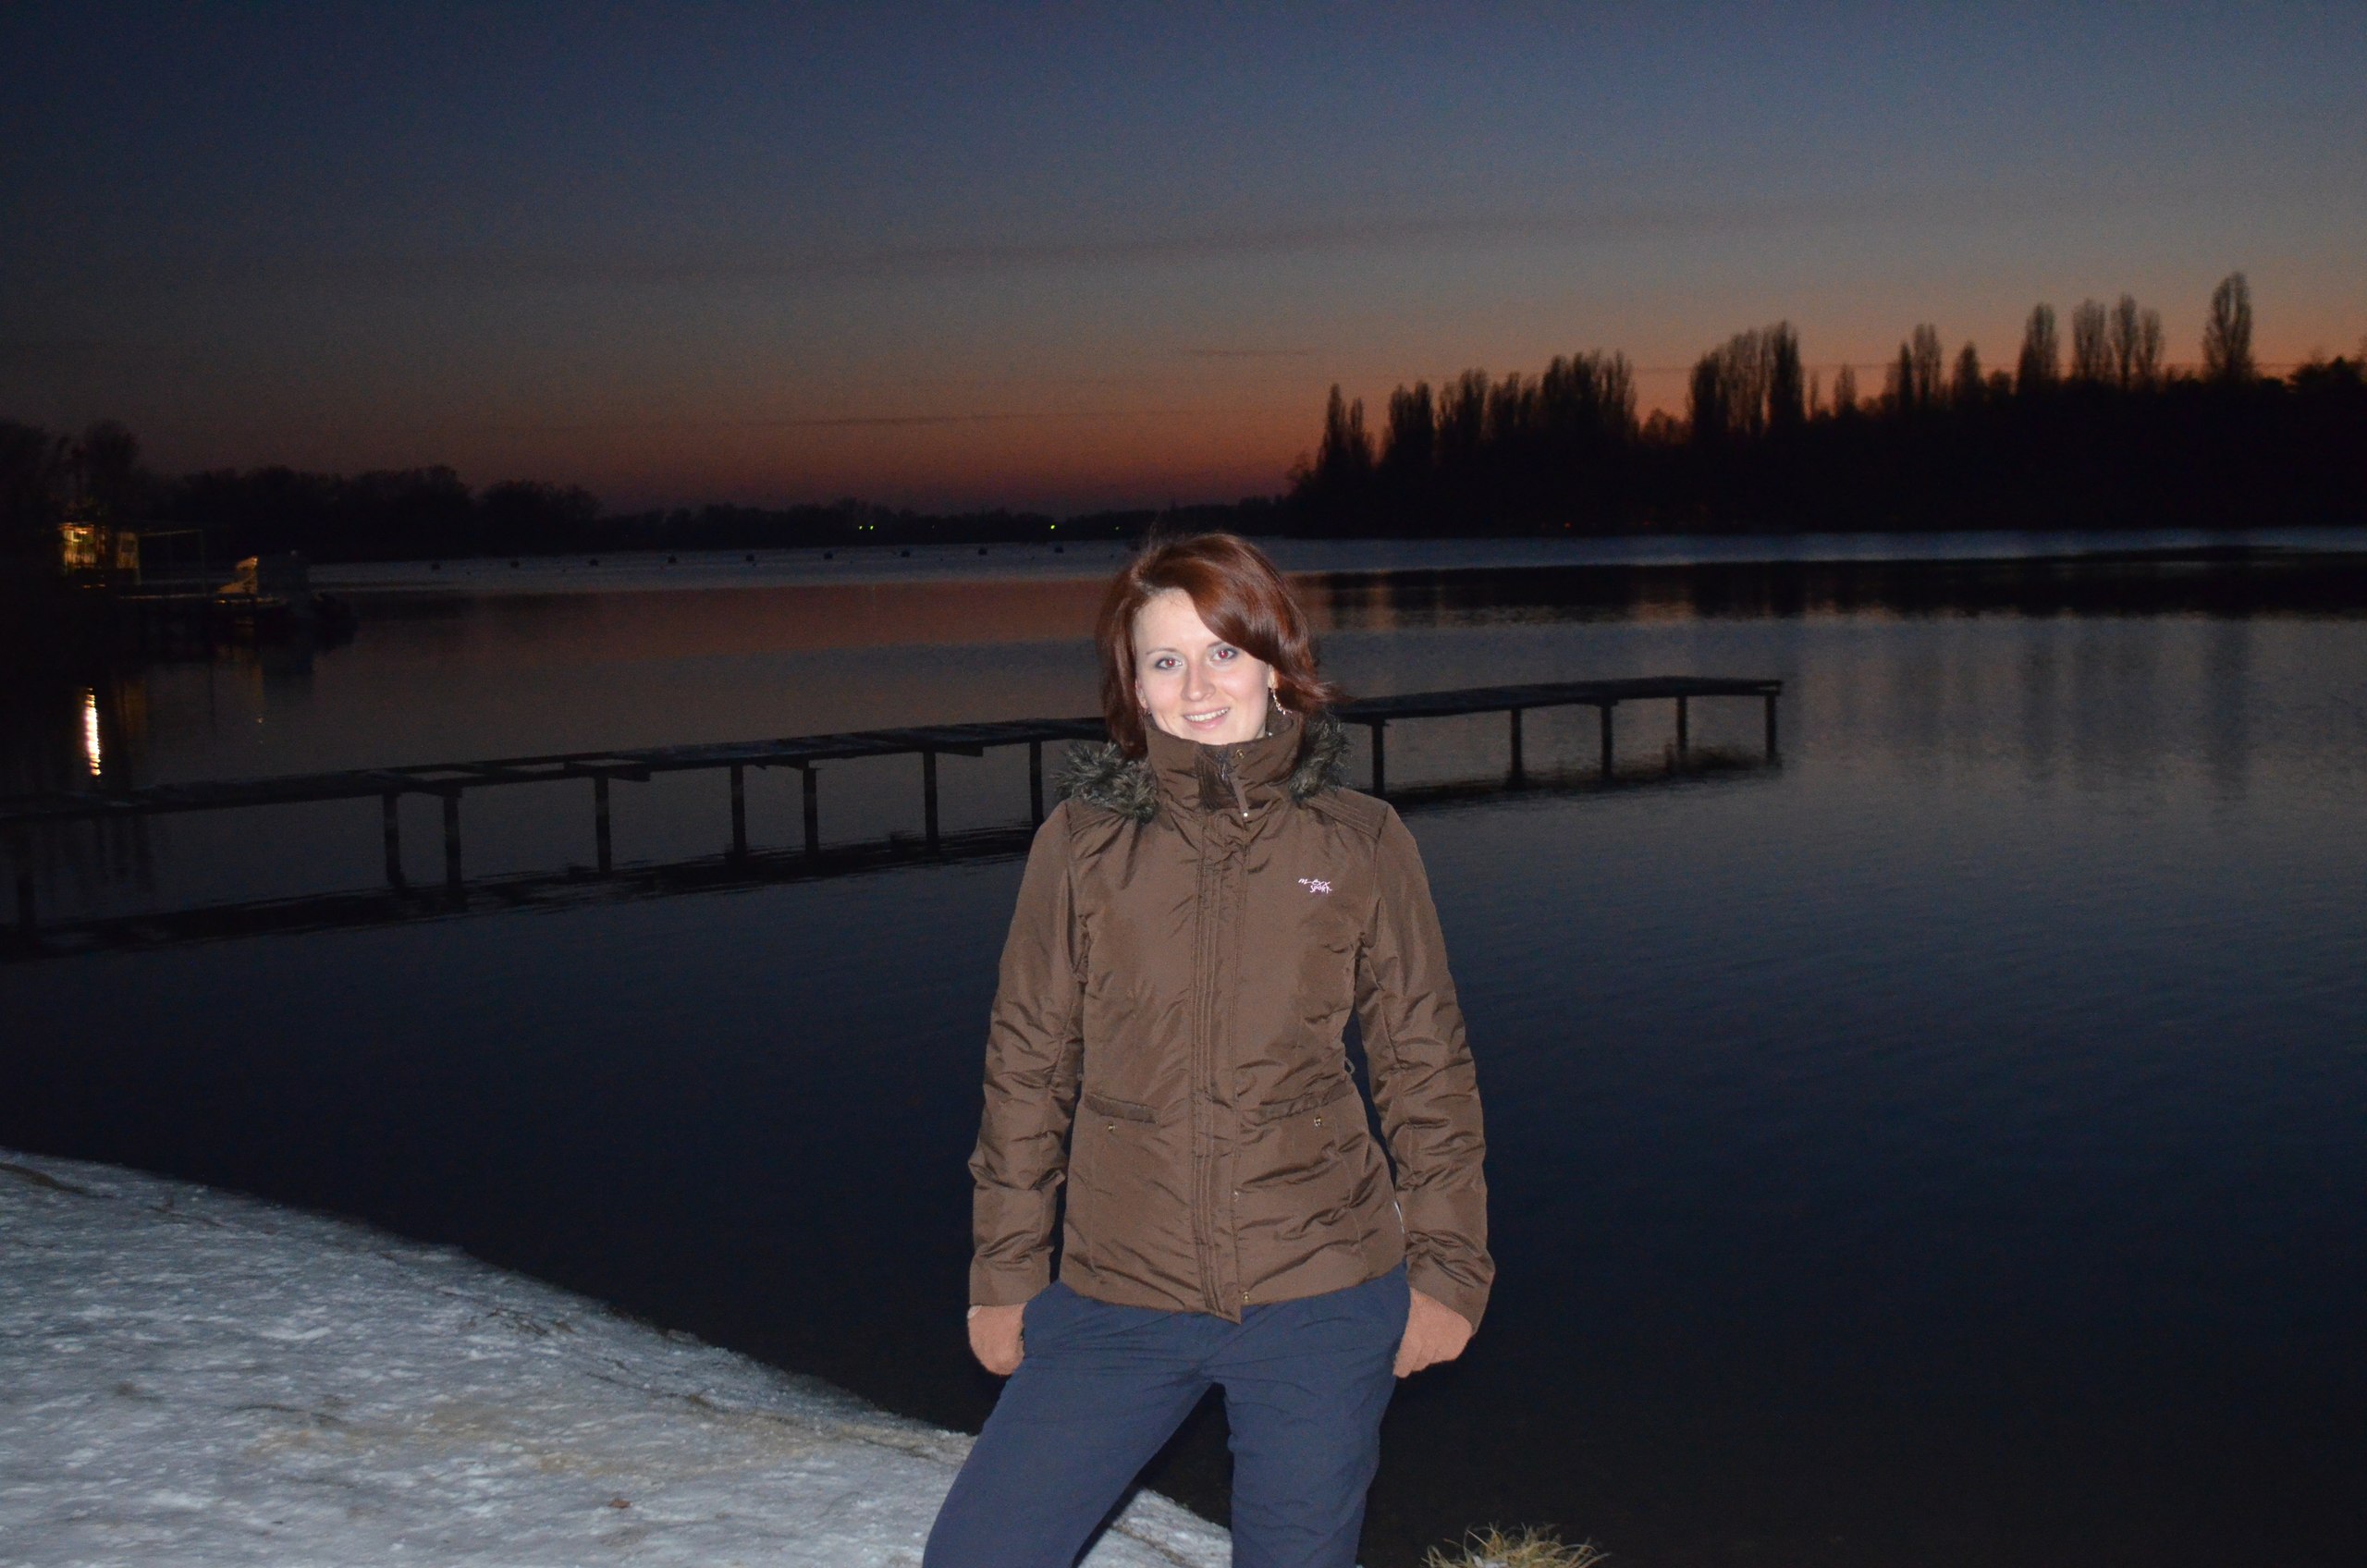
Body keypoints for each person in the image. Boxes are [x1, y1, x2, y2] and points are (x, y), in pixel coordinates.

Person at [925, 533, 1491, 1568]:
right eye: (1165, 660)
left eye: (1223, 652)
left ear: (1276, 661)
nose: (1197, 689)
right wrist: (1004, 1271)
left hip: (1322, 1288)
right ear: (1133, 688)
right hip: (1118, 1289)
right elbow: (1028, 1066)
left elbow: (1425, 1063)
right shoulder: (1081, 843)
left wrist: (1449, 1270)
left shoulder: (1360, 839)